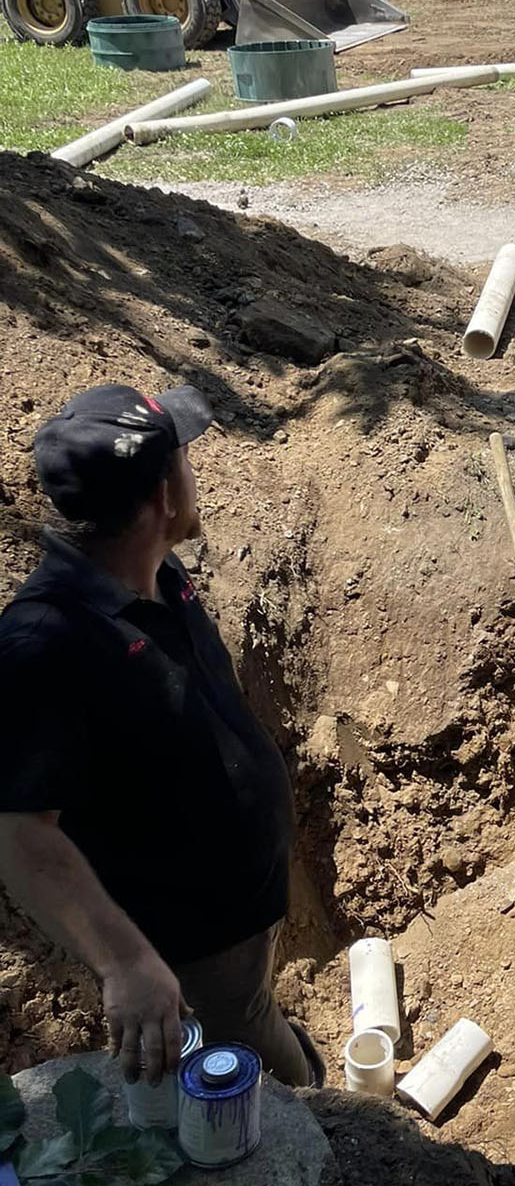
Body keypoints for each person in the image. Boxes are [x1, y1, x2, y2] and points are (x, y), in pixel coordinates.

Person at [0, 383, 320, 1088]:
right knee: (261, 1065)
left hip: (242, 912)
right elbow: (20, 833)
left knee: (256, 1008)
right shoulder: (46, 642)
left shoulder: (155, 575)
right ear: (162, 499)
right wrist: (125, 962)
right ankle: (335, 1122)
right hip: (190, 944)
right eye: (185, 458)